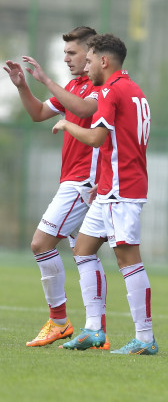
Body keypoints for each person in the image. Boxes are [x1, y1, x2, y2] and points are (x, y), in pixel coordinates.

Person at [3, 26, 110, 349]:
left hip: (84, 182)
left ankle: (60, 322)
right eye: (64, 54)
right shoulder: (74, 85)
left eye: (72, 53)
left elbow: (84, 110)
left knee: (40, 243)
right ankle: (97, 332)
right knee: (85, 256)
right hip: (75, 179)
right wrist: (23, 87)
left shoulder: (98, 85)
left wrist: (46, 80)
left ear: (91, 54)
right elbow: (38, 113)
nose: (66, 59)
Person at [52, 33, 157, 355]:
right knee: (83, 250)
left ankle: (145, 338)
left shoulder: (110, 91)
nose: (85, 65)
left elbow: (97, 138)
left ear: (104, 61)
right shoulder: (134, 90)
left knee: (128, 260)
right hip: (112, 187)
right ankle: (94, 329)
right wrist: (105, 179)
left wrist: (67, 124)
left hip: (122, 190)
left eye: (89, 59)